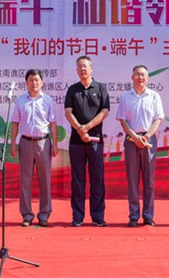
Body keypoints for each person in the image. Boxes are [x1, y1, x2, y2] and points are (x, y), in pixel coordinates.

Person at [64, 55, 110, 227]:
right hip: (76, 143)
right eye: (79, 67)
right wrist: (79, 129)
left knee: (97, 180)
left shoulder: (101, 88)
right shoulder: (72, 90)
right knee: (77, 180)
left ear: (91, 68)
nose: (82, 69)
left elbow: (105, 111)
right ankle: (77, 217)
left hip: (95, 142)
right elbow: (68, 112)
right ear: (76, 70)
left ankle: (98, 216)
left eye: (85, 66)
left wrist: (87, 127)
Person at [116, 65, 164, 227]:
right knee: (132, 180)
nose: (140, 78)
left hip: (149, 141)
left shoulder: (154, 96)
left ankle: (148, 216)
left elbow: (158, 120)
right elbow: (123, 121)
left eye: (143, 75)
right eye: (137, 75)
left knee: (149, 181)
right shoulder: (125, 97)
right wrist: (135, 137)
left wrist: (146, 136)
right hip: (131, 141)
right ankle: (134, 215)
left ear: (148, 78)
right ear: (132, 77)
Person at [10, 69, 59, 227]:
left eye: (37, 80)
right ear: (26, 83)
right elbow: (15, 123)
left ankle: (44, 214)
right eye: (31, 80)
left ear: (42, 82)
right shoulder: (20, 100)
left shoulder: (48, 100)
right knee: (25, 181)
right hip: (25, 142)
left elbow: (53, 124)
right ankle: (27, 215)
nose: (34, 83)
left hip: (43, 143)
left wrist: (55, 144)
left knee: (45, 181)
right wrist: (12, 143)